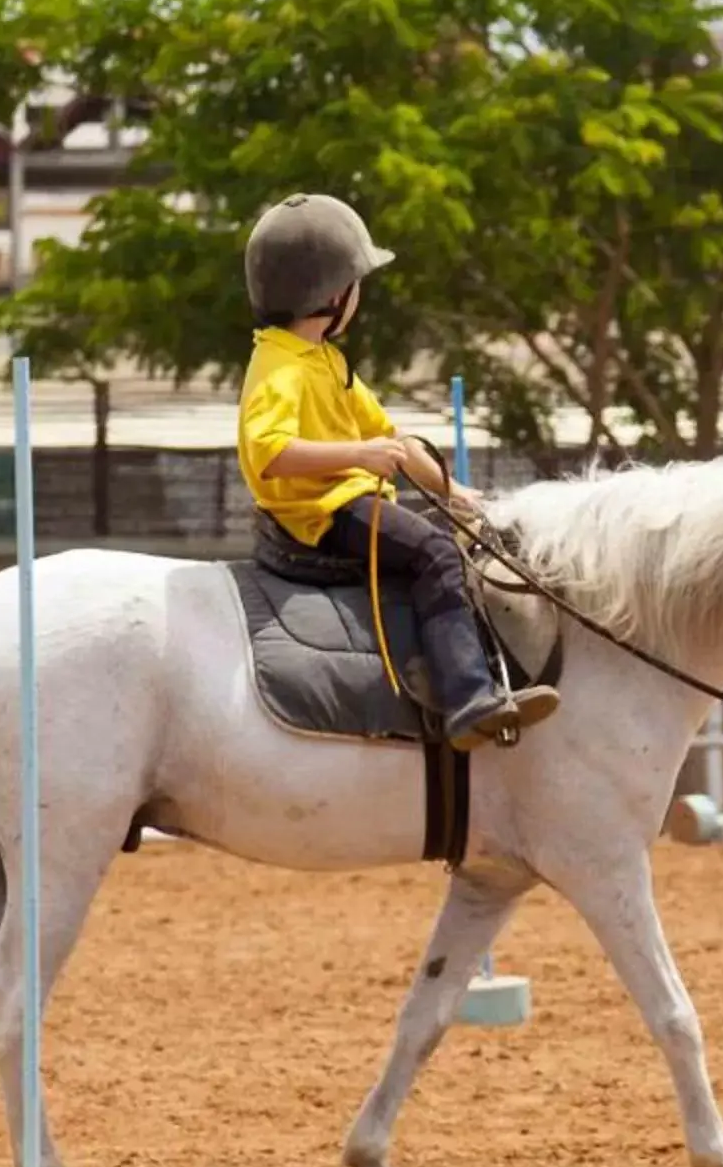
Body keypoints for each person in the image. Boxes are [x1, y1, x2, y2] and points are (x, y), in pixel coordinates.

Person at [237, 194, 557, 753]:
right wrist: (358, 457)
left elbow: (398, 443)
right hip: (323, 512)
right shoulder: (280, 366)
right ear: (335, 295)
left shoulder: (323, 360)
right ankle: (467, 699)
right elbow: (270, 453)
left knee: (447, 539)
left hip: (350, 496)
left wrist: (456, 493)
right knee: (435, 553)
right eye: (358, 285)